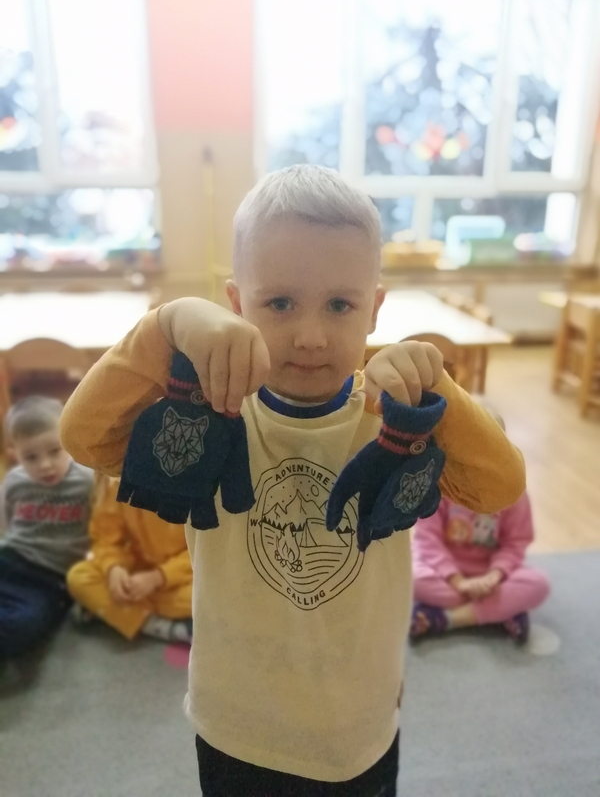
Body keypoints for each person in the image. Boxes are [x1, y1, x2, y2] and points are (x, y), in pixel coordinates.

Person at [59, 165, 526, 796]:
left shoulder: (396, 419)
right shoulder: (208, 411)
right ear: (236, 305)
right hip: (238, 728)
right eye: (279, 303)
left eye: (340, 305)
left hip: (359, 727)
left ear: (374, 310)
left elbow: (499, 488)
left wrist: (436, 384)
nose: (310, 337)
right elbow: (83, 438)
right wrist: (164, 326)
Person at [410, 401, 550, 644]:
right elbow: (427, 540)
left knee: (537, 584)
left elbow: (515, 543)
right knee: (410, 578)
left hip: (493, 577)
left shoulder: (513, 492)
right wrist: (458, 581)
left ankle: (447, 618)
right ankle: (501, 611)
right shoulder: (441, 485)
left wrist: (494, 576)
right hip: (446, 574)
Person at [0, 396, 94, 660]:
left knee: (25, 625)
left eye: (54, 451)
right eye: (30, 457)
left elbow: (104, 529)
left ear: (69, 442)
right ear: (14, 454)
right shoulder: (14, 481)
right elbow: (5, 524)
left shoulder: (87, 481)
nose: (44, 465)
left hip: (49, 579)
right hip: (9, 558)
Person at [67, 476, 193, 643]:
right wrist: (114, 567)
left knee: (213, 596)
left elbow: (206, 554)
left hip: (184, 578)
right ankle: (156, 624)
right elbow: (105, 539)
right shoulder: (115, 483)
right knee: (79, 576)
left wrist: (159, 577)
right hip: (135, 572)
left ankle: (119, 611)